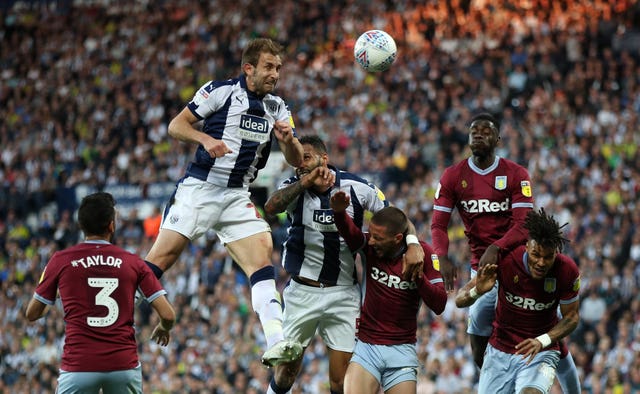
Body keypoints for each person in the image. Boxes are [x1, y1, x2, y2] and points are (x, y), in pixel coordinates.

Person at [142, 37, 305, 366]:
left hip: (236, 196)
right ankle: (106, 308)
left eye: (278, 68)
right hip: (200, 188)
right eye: (268, 67)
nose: (275, 74)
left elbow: (297, 159)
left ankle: (276, 340)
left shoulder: (277, 107)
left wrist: (288, 141)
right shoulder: (219, 90)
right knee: (160, 260)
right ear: (249, 68)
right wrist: (205, 139)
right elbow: (177, 125)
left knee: (262, 259)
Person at [263, 135, 425, 394]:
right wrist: (305, 181)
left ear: (323, 158)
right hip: (302, 292)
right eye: (296, 159)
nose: (300, 163)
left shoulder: (357, 187)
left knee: (340, 381)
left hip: (343, 294)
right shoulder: (294, 186)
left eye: (306, 157)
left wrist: (414, 243)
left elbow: (399, 218)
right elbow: (271, 207)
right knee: (285, 374)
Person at [430, 112, 580, 392]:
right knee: (476, 333)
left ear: (497, 139)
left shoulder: (516, 174)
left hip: (520, 264)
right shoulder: (453, 176)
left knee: (542, 327)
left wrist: (496, 248)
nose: (478, 134)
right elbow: (438, 224)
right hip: (483, 269)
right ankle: (499, 378)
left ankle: (564, 377)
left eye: (486, 131)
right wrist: (442, 256)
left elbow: (523, 224)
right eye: (474, 130)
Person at [25, 192, 176, 394]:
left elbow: (32, 314)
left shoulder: (60, 260)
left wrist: (57, 297)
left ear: (81, 226)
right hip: (123, 364)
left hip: (79, 365)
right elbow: (168, 315)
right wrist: (164, 327)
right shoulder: (133, 262)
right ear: (111, 226)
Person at [330, 192, 447, 394]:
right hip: (367, 347)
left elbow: (440, 304)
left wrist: (418, 277)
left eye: (378, 237)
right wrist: (339, 213)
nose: (372, 241)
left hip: (402, 350)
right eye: (371, 234)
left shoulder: (424, 254)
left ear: (398, 238)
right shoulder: (370, 249)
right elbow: (352, 234)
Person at [455, 208, 580, 393]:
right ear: (527, 246)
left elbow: (571, 318)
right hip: (499, 351)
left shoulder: (567, 270)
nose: (541, 262)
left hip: (540, 353)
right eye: (536, 254)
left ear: (556, 252)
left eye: (548, 257)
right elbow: (459, 300)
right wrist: (477, 291)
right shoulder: (506, 260)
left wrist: (542, 340)